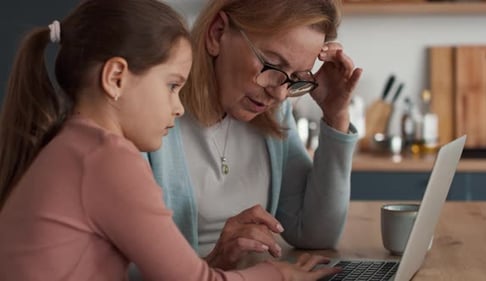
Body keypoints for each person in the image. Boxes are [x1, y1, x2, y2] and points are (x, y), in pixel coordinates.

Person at [0, 0, 340, 280]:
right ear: (116, 78)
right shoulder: (107, 158)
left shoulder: (78, 145)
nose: (178, 107)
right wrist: (282, 275)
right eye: (172, 86)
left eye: (295, 79)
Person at [147, 0, 363, 271]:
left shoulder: (273, 115)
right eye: (272, 64)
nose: (280, 93)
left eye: (296, 77)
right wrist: (214, 264)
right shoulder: (151, 118)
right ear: (217, 33)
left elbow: (313, 232)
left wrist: (336, 116)